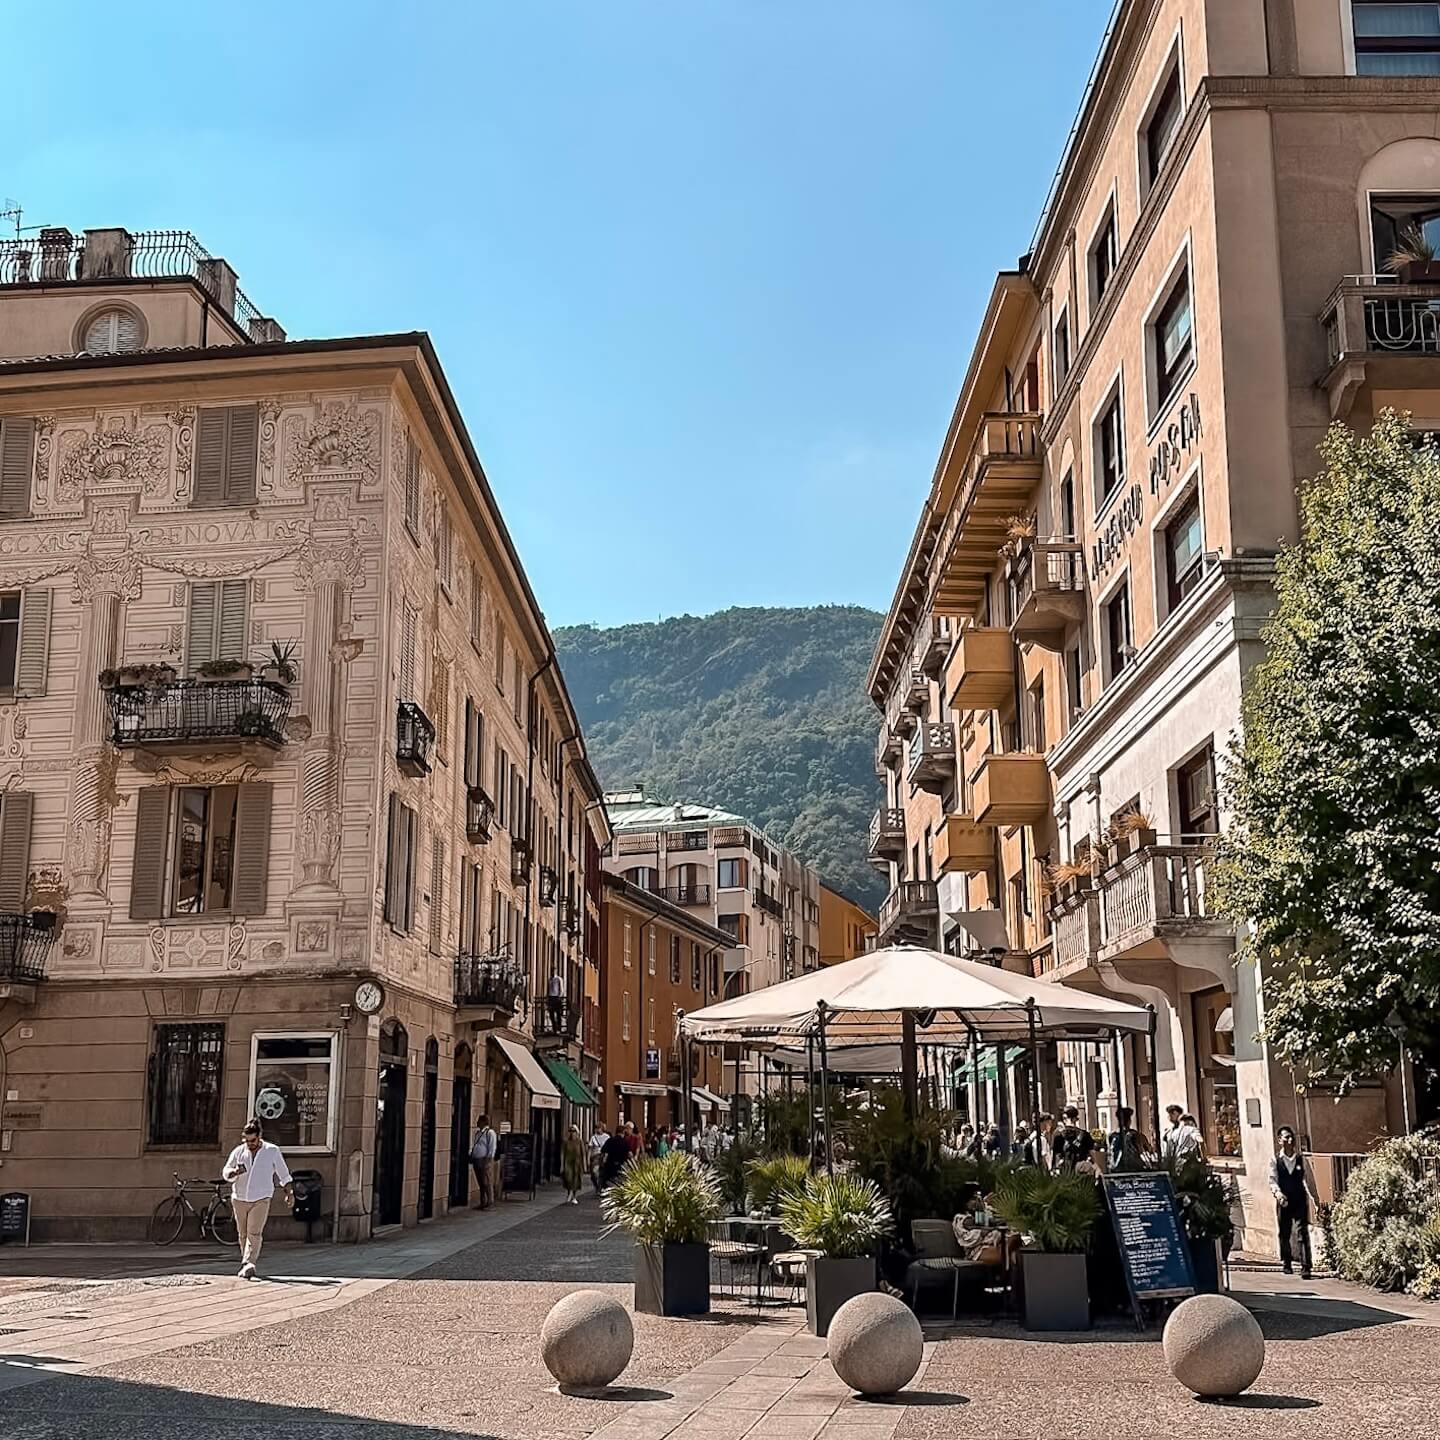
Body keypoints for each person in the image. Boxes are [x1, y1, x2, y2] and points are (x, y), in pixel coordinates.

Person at [222, 1117, 293, 1280]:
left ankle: (249, 1263)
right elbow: (226, 1170)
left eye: (252, 1140)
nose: (250, 1144)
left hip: (261, 1197)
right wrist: (233, 1173)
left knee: (254, 1232)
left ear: (259, 1136)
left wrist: (289, 1193)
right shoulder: (239, 1151)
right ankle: (246, 1262)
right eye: (246, 1141)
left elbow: (284, 1174)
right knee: (242, 1233)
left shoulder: (272, 1151)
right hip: (239, 1197)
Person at [1269, 1126, 1317, 1279]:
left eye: (1292, 1138)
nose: (1290, 1141)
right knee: (1284, 1232)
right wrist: (1278, 1194)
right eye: (1286, 1138)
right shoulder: (1275, 1160)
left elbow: (1309, 1181)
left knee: (1302, 1231)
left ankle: (1306, 1266)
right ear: (1279, 1141)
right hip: (1284, 1199)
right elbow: (1272, 1180)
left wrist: (1315, 1200)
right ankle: (1287, 1263)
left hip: (1299, 1198)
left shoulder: (1301, 1159)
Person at [1051, 1106, 1095, 1172]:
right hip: (1080, 1172)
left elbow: (1054, 1153)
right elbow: (1092, 1154)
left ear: (1064, 1118)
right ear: (1076, 1119)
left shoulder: (1057, 1134)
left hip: (1063, 1172)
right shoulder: (1084, 1134)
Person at [1107, 1107, 1148, 1173]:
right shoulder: (1136, 1135)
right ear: (1129, 1121)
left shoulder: (1111, 1136)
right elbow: (1146, 1150)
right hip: (1134, 1170)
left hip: (1116, 1170)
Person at [470, 1114, 498, 1210]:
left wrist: (488, 1160)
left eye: (479, 1121)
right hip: (476, 1159)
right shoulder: (477, 1133)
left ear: (483, 1122)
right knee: (481, 1182)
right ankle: (483, 1202)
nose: (477, 1122)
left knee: (487, 1181)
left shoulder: (490, 1133)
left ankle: (490, 1202)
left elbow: (492, 1147)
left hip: (484, 1159)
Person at [561, 1124, 585, 1205]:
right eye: (570, 1131)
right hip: (568, 1163)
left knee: (576, 1180)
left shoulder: (579, 1141)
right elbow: (562, 1153)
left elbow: (583, 1153)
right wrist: (562, 1165)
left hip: (577, 1163)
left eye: (573, 1131)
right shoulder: (565, 1141)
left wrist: (585, 1165)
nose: (572, 1133)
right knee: (568, 1178)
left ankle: (574, 1196)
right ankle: (569, 1193)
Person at [587, 1122, 610, 1193]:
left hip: (604, 1156)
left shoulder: (606, 1137)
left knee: (602, 1173)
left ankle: (600, 1187)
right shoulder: (593, 1137)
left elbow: (609, 1148)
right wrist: (588, 1159)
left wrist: (607, 1157)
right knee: (594, 1173)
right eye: (596, 1128)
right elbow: (590, 1149)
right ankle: (597, 1186)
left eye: (599, 1128)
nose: (597, 1129)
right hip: (595, 1156)